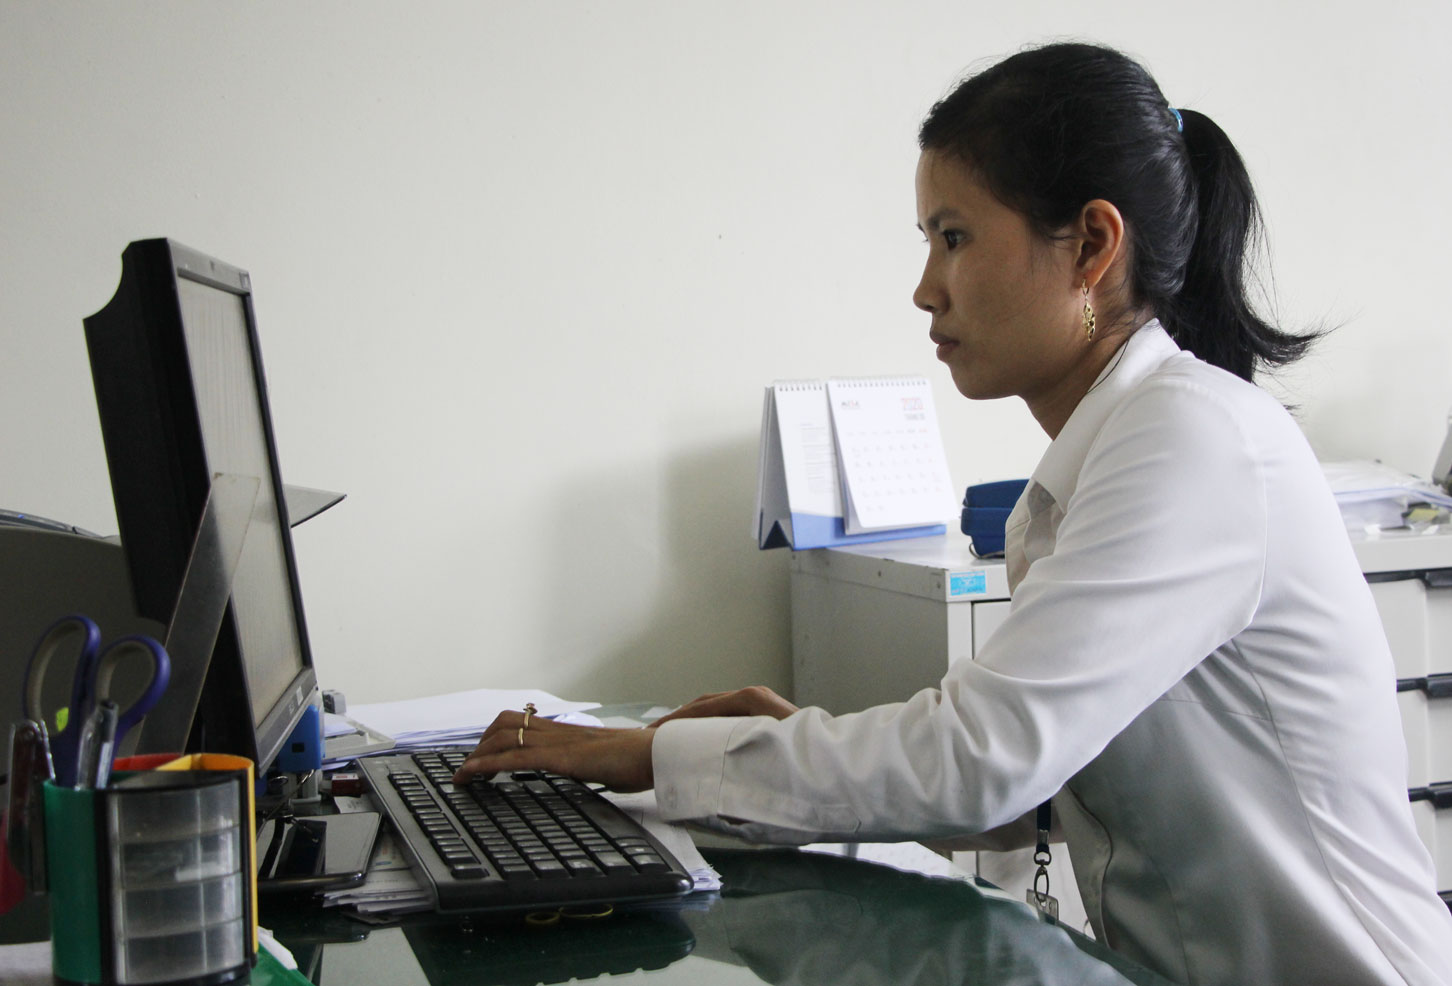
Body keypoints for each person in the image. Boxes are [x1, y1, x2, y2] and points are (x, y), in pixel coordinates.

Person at [455, 42, 1452, 985]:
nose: (926, 288)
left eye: (956, 237)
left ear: (1092, 245)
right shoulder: (1109, 456)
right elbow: (1021, 776)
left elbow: (982, 761)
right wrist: (793, 744)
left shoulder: (1189, 437)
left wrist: (653, 754)